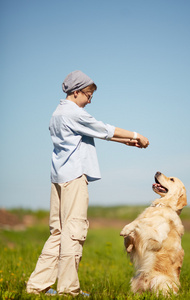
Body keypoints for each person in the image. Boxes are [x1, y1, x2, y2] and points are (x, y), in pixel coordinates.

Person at [26, 70, 149, 296]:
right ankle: (68, 290)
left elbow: (97, 133)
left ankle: (36, 287)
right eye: (89, 95)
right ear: (76, 92)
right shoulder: (73, 113)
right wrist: (135, 134)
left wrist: (126, 142)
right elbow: (103, 129)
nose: (90, 100)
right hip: (74, 179)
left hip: (59, 178)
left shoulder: (57, 113)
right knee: (73, 233)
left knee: (58, 233)